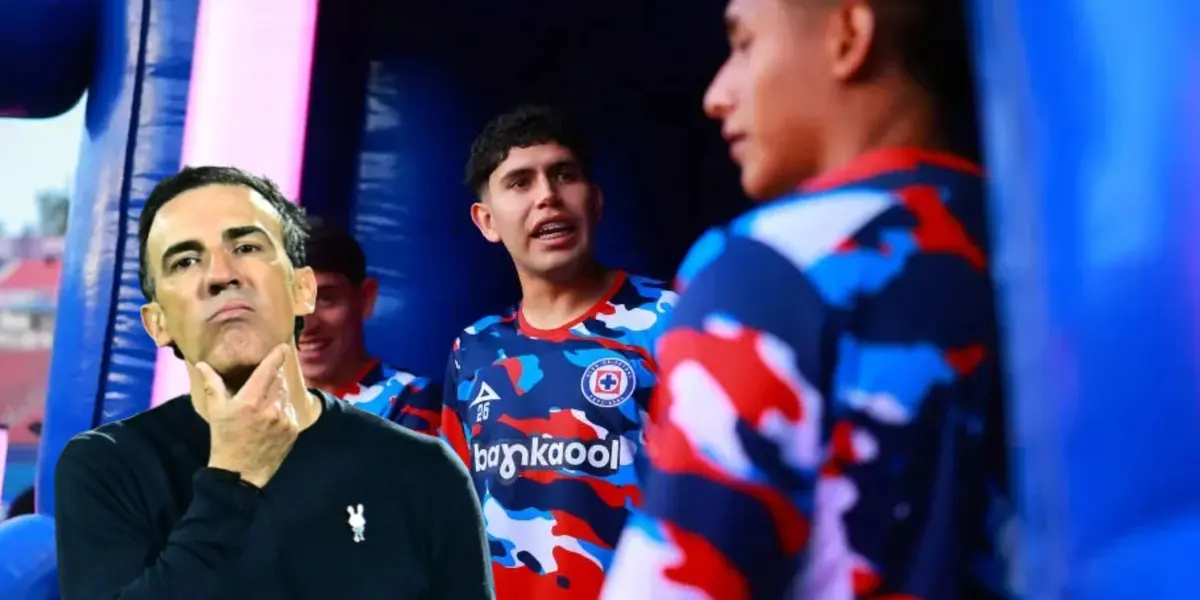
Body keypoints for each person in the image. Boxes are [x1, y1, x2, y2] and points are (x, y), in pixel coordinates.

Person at [602, 0, 1010, 598]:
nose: (717, 94)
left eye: (744, 45)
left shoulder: (764, 268)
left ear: (848, 35)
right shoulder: (1038, 253)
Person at [54, 166, 493, 600]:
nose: (221, 274)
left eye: (246, 246)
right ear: (157, 323)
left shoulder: (424, 471)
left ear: (303, 290)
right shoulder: (107, 469)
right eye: (185, 261)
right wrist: (232, 479)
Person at [441, 105, 677, 600]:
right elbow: (451, 521)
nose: (548, 196)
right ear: (486, 221)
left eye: (564, 175)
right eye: (520, 182)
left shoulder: (673, 324)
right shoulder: (473, 351)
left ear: (595, 200)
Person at [299, 217, 441, 435]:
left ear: (366, 297)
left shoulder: (410, 397)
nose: (306, 325)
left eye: (326, 299)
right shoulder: (248, 401)